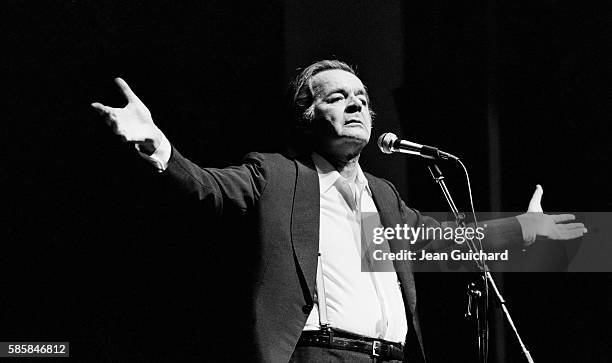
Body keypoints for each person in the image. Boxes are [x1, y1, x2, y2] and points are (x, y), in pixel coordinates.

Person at [91, 60, 586, 362]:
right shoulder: (280, 175)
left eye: (363, 99)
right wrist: (159, 147)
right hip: (321, 355)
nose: (355, 105)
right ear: (309, 115)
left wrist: (525, 229)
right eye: (337, 97)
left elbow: (446, 239)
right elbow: (209, 188)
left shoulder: (384, 197)